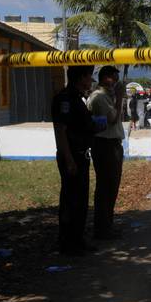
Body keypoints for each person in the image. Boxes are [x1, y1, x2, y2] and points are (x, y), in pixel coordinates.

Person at [52, 65, 100, 255]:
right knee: (71, 200)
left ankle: (77, 239)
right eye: (89, 76)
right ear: (80, 78)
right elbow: (60, 131)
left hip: (80, 155)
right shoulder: (65, 99)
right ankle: (68, 242)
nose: (91, 79)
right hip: (71, 156)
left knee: (80, 200)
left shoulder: (78, 98)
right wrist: (69, 159)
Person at [87, 65, 125, 240]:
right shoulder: (98, 98)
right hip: (105, 145)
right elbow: (112, 119)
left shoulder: (106, 96)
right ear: (104, 78)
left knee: (112, 187)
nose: (115, 82)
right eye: (113, 78)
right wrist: (119, 97)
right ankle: (102, 229)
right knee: (105, 187)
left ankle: (106, 226)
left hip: (113, 144)